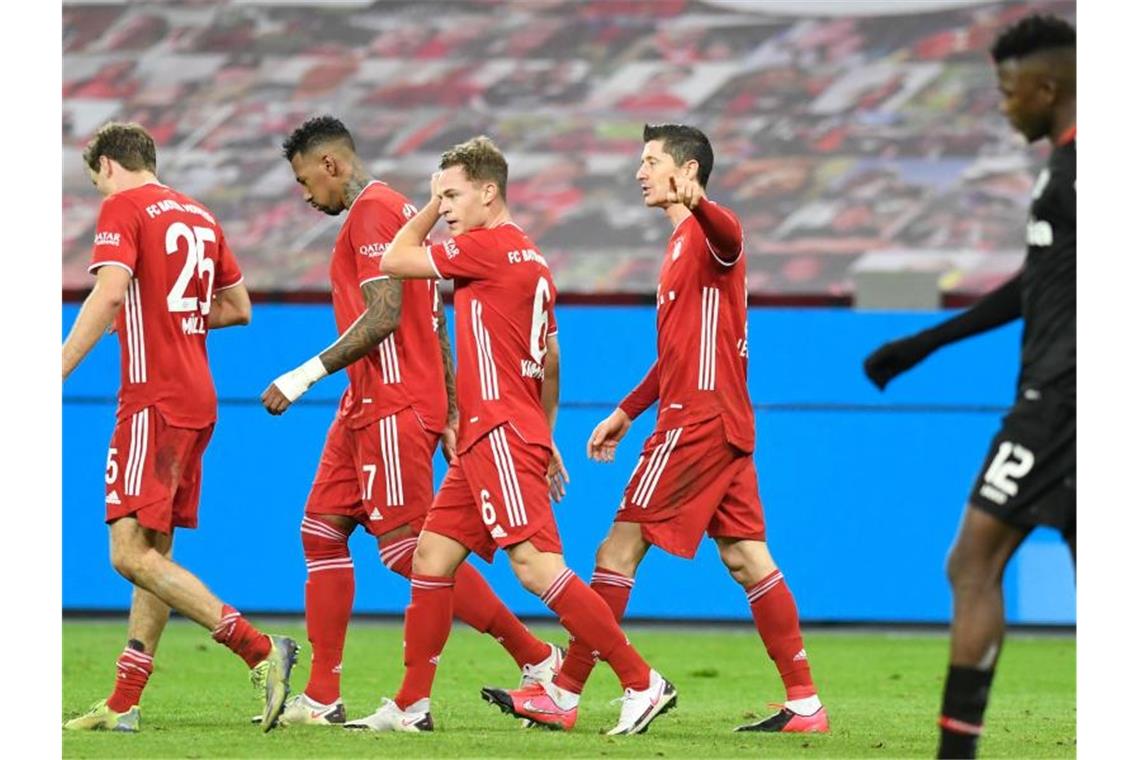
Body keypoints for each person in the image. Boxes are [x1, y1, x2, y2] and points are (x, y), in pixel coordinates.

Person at [345, 135, 677, 735]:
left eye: (451, 194)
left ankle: (641, 680)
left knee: (535, 567)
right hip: (496, 432)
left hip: (496, 430)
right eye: (438, 196)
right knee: (430, 557)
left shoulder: (483, 247)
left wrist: (420, 210)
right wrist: (544, 433)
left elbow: (394, 258)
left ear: (489, 191)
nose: (443, 206)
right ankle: (412, 704)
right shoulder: (529, 255)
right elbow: (550, 358)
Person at [260, 116, 563, 725]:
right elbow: (436, 318)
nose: (305, 195)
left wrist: (301, 375)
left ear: (331, 166)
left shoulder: (375, 212)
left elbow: (388, 314)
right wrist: (450, 405)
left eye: (304, 181)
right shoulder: (397, 211)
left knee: (411, 552)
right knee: (321, 532)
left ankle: (536, 657)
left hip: (394, 402)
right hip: (367, 401)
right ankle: (322, 695)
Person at [547, 123, 828, 734]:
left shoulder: (708, 235)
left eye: (651, 161)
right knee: (747, 558)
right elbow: (674, 354)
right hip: (720, 420)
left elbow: (732, 237)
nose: (640, 172)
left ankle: (569, 692)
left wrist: (700, 202)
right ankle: (805, 704)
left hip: (697, 422)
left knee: (617, 549)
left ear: (687, 171)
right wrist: (626, 410)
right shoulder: (676, 248)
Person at [862, 15, 1075, 760]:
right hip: (1064, 396)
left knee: (972, 561)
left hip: (1062, 401)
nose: (1004, 105)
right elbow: (1033, 288)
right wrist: (926, 343)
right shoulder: (1068, 169)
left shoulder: (1083, 171)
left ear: (1047, 88)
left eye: (1010, 91)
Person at [62, 122, 296, 734]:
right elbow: (237, 307)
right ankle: (123, 702)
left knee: (126, 553)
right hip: (198, 398)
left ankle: (259, 648)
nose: (98, 193)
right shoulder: (198, 214)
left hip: (152, 398)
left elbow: (110, 294)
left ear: (109, 165)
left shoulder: (123, 206)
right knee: (156, 551)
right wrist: (172, 316)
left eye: (95, 181)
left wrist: (54, 369)